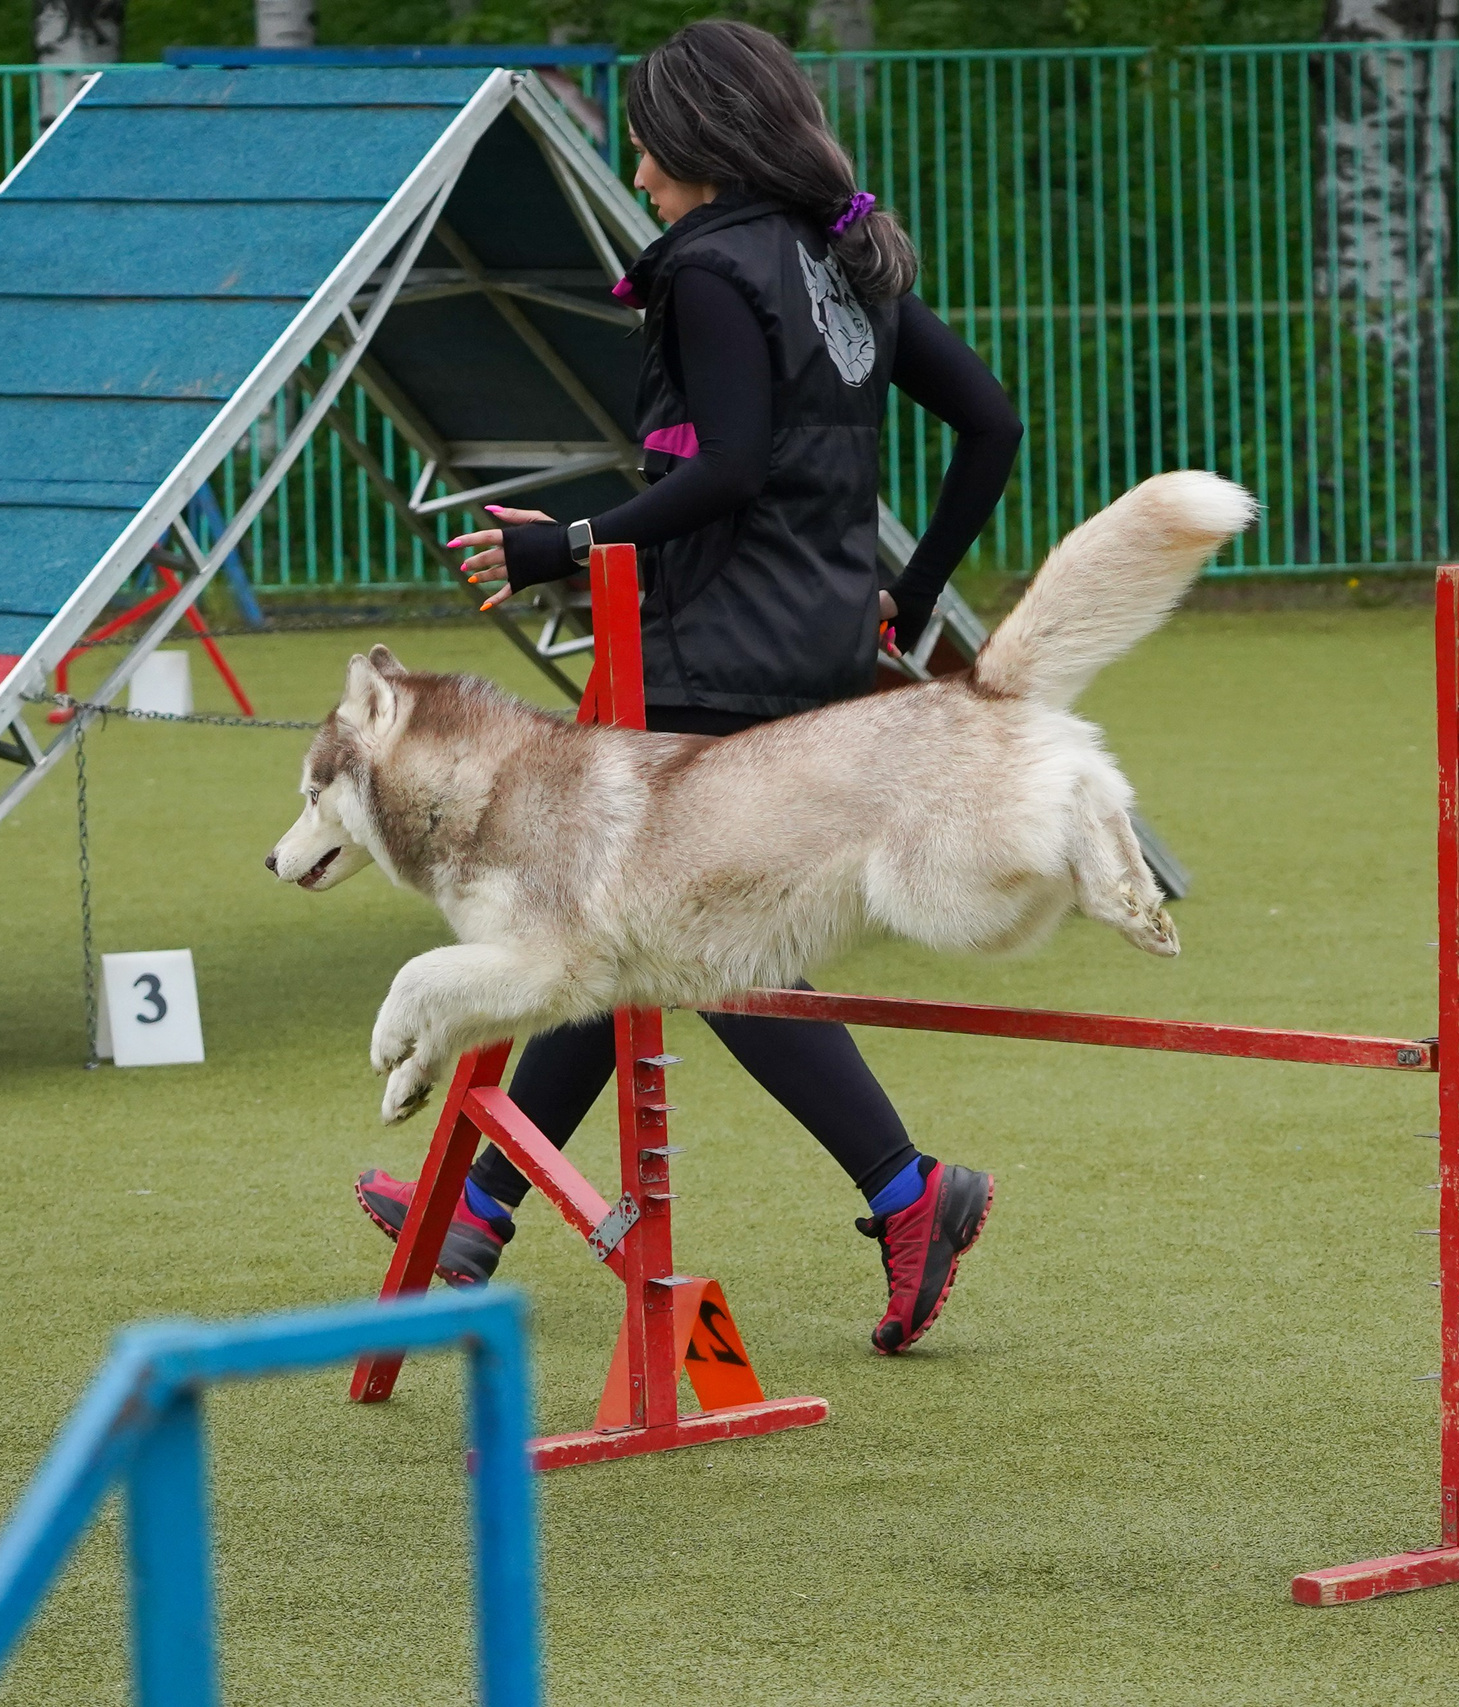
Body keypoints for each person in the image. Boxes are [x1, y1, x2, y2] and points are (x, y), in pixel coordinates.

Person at [351, 18, 1024, 1356]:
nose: (634, 155)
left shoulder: (717, 271)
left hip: (717, 657)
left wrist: (566, 544)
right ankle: (478, 1216)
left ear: (699, 142)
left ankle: (905, 1191)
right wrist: (914, 592)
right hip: (816, 648)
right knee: (623, 932)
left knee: (688, 945)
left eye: (646, 130)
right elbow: (992, 423)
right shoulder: (848, 259)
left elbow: (723, 468)